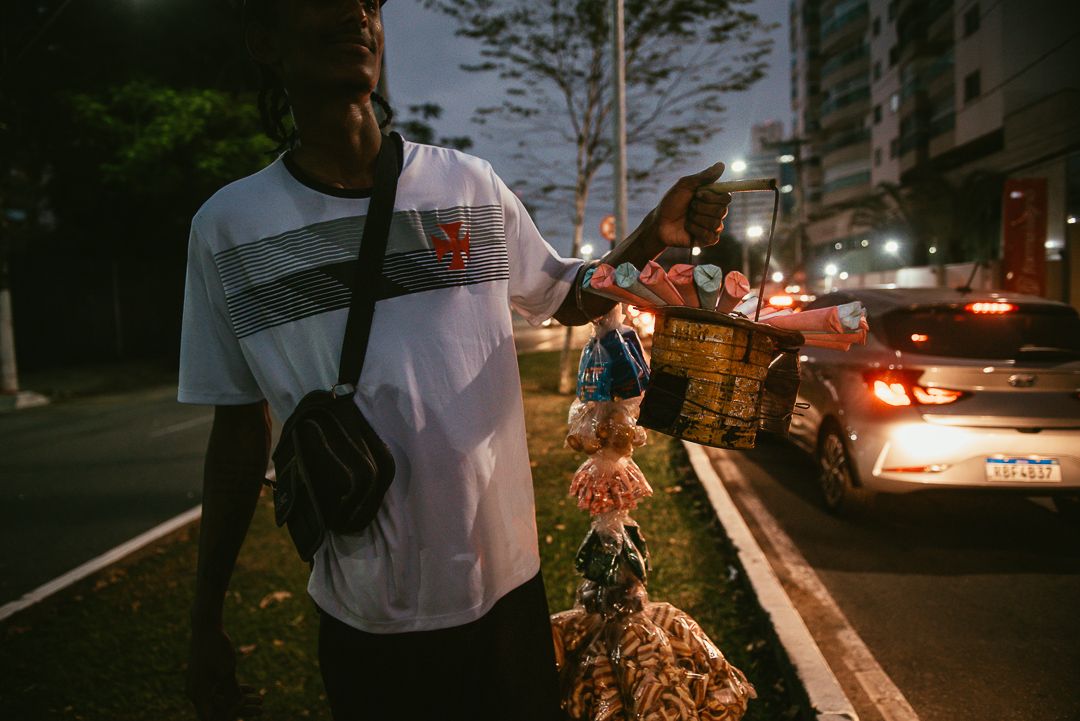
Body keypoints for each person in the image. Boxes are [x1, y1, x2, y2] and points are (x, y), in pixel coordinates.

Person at [179, 0, 732, 719]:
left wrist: (653, 235)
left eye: (371, 1)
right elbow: (236, 431)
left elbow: (568, 293)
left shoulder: (466, 187)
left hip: (506, 599)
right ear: (264, 39)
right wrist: (204, 619)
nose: (357, 13)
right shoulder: (229, 229)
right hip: (364, 619)